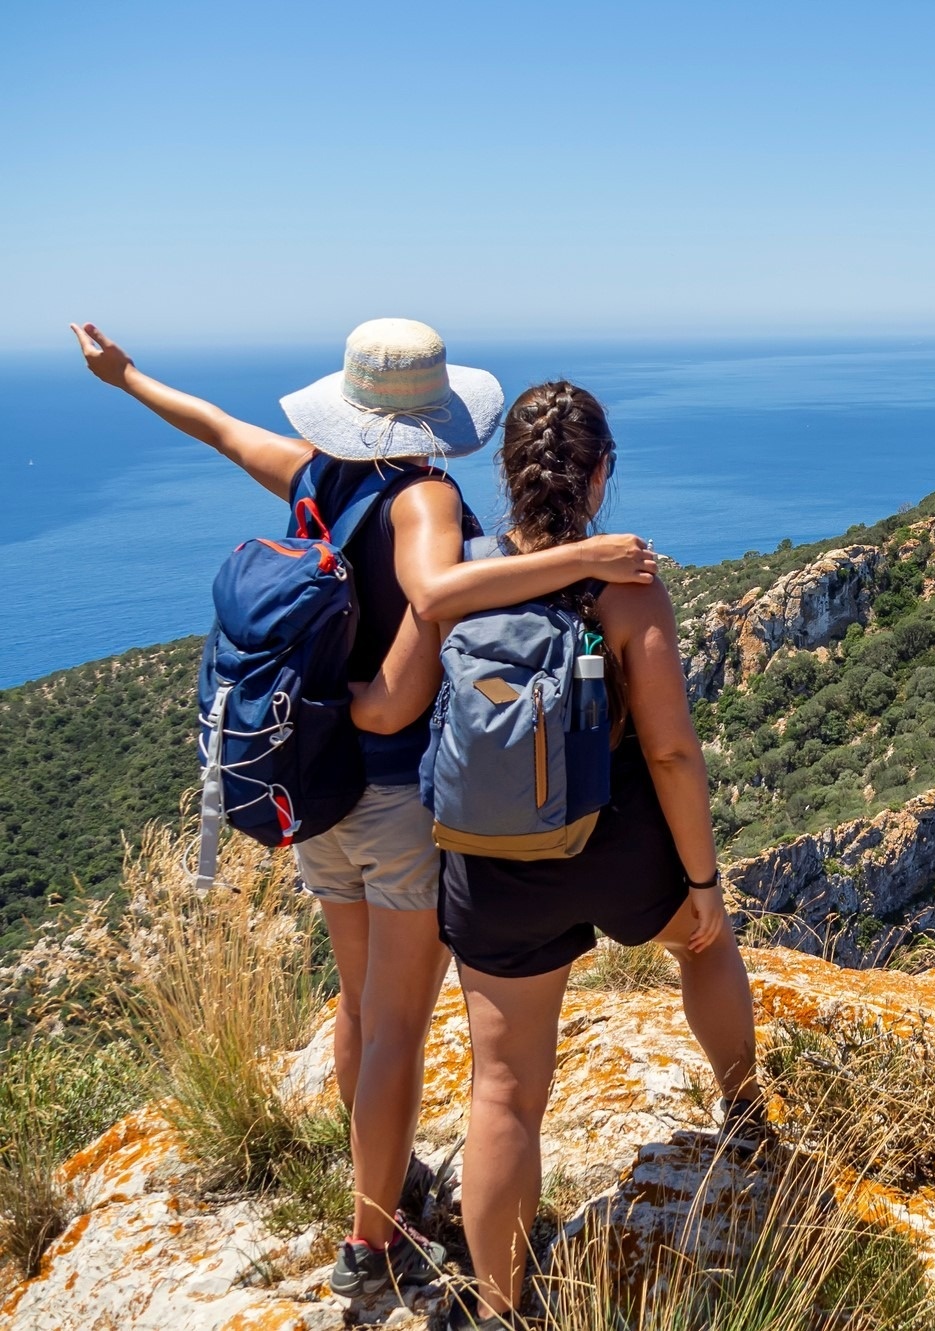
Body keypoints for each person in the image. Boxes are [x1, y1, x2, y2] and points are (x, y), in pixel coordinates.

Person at [71, 320, 663, 1304]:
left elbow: (218, 427)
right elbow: (434, 596)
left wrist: (125, 375)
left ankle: (382, 1182)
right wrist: (582, 558)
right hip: (391, 798)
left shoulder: (314, 472)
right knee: (392, 1024)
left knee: (360, 1007)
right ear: (431, 415)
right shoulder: (424, 496)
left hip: (318, 789)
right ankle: (371, 1240)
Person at [353, 380, 761, 1329]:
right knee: (705, 942)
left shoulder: (463, 576)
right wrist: (700, 883)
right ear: (601, 474)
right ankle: (745, 1114)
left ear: (506, 472)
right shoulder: (623, 584)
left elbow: (396, 706)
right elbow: (667, 748)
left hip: (492, 866)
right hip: (612, 844)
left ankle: (499, 1308)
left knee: (502, 1091)